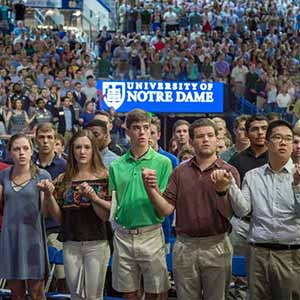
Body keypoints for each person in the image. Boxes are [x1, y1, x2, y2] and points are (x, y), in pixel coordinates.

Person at [142, 118, 240, 300]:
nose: (206, 140)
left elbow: (229, 215)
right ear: (192, 141)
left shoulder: (229, 171)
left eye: (210, 135)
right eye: (201, 136)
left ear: (217, 139)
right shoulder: (179, 171)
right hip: (185, 245)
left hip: (217, 243)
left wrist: (221, 191)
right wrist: (151, 190)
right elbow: (165, 210)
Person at [219, 120, 300, 300]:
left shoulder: (298, 174)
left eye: (289, 139)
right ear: (268, 142)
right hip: (258, 253)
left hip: (291, 253)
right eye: (278, 137)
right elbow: (242, 211)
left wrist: (297, 186)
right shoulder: (253, 176)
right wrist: (231, 185)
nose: (283, 142)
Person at [39, 130, 111, 300]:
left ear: (94, 150)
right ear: (72, 150)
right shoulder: (64, 179)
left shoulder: (105, 176)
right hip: (71, 242)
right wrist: (49, 196)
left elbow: (106, 216)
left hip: (97, 241)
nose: (82, 151)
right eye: (78, 147)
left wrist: (93, 198)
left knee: (93, 296)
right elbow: (59, 218)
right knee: (75, 295)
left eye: (87, 147)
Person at [109, 109, 172, 300]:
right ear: (127, 131)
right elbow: (113, 203)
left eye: (146, 128)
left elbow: (166, 207)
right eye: (136, 128)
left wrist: (152, 188)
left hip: (151, 232)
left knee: (156, 291)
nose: (142, 132)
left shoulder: (163, 162)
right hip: (123, 233)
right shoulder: (115, 166)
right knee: (129, 293)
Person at [0, 134, 52, 299]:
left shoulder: (42, 175)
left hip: (32, 238)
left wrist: (48, 195)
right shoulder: (3, 175)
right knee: (16, 294)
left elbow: (45, 212)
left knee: (37, 292)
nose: (21, 152)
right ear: (10, 153)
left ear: (31, 151)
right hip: (10, 238)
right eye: (17, 149)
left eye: (25, 148)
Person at [33, 123, 67, 292]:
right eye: (42, 137)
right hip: (31, 228)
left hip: (56, 229)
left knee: (61, 277)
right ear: (35, 139)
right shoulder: (27, 164)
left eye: (50, 137)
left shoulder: (65, 168)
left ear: (55, 140)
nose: (45, 141)